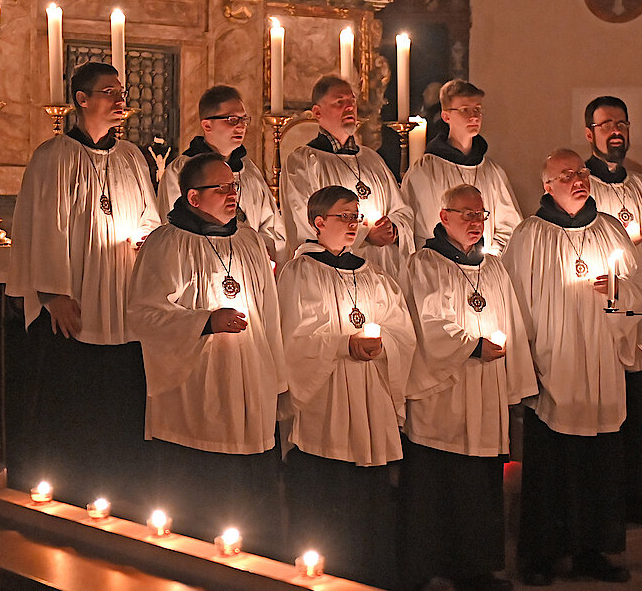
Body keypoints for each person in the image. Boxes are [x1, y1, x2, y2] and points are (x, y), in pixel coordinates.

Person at [6, 62, 160, 511]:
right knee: (73, 399)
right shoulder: (53, 155)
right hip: (74, 301)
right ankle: (67, 488)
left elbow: (150, 216)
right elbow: (44, 226)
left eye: (121, 91)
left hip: (124, 295)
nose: (120, 100)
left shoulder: (132, 157)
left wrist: (148, 239)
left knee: (120, 400)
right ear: (81, 99)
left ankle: (121, 489)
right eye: (109, 92)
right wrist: (53, 293)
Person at [503, 148, 642, 586]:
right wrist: (527, 362)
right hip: (554, 363)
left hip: (601, 363)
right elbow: (515, 304)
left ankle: (593, 550)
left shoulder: (608, 228)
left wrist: (618, 290)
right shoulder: (531, 235)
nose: (578, 179)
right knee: (551, 464)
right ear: (547, 186)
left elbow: (640, 290)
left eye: (581, 171)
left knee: (599, 462)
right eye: (566, 174)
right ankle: (539, 555)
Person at [126, 153, 285, 556]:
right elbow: (142, 314)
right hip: (195, 388)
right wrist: (206, 321)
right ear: (194, 198)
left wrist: (275, 380)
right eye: (223, 188)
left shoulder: (248, 239)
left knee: (250, 497)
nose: (233, 194)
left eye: (235, 186)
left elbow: (269, 315)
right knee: (200, 497)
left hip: (249, 380)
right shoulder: (168, 241)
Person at [399, 184, 537, 591]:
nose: (476, 223)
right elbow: (429, 325)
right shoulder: (424, 264)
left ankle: (476, 569)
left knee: (480, 485)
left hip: (485, 391)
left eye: (481, 215)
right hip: (443, 394)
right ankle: (426, 567)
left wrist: (512, 382)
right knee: (437, 484)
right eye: (467, 215)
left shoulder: (492, 267)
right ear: (444, 217)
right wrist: (473, 345)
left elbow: (512, 322)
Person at [277, 185, 416, 589]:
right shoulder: (299, 272)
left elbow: (401, 330)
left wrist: (380, 343)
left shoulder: (374, 273)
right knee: (327, 492)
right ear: (318, 223)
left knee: (369, 495)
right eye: (344, 217)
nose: (354, 224)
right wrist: (343, 344)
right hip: (327, 397)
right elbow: (292, 337)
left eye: (357, 216)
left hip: (369, 395)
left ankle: (370, 574)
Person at [582, 96, 642, 527]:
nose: (615, 131)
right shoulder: (579, 183)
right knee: (606, 413)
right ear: (590, 134)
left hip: (640, 317)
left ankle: (633, 501)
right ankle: (602, 506)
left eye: (621, 123)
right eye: (606, 125)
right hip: (601, 318)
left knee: (638, 410)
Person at [281, 75, 414, 278]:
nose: (349, 107)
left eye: (352, 101)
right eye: (339, 102)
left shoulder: (371, 158)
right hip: (333, 272)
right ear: (317, 112)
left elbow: (402, 209)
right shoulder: (304, 162)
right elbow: (305, 221)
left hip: (384, 273)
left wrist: (393, 227)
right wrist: (366, 233)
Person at [157, 85, 285, 261]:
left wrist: (260, 255)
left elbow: (270, 226)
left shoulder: (249, 171)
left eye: (243, 119)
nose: (241, 126)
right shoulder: (180, 171)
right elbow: (174, 229)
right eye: (232, 119)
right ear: (207, 125)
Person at [402, 80, 522, 252]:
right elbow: (415, 231)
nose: (474, 117)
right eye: (465, 110)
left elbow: (510, 227)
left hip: (484, 271)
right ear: (446, 116)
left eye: (477, 109)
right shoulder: (425, 171)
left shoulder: (491, 172)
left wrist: (490, 259)